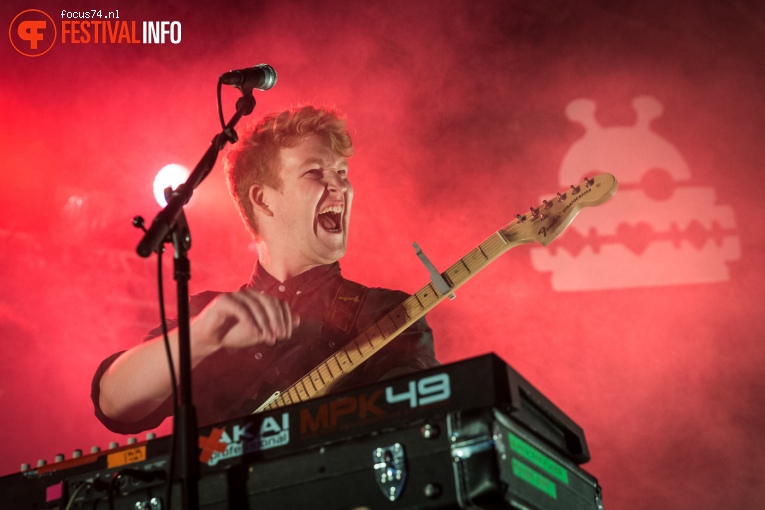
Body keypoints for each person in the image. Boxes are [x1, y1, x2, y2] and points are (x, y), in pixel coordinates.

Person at [91, 105, 439, 434]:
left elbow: (418, 426)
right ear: (262, 199)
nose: (339, 186)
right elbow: (112, 403)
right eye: (315, 172)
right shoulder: (207, 316)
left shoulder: (386, 313)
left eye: (342, 173)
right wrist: (202, 336)